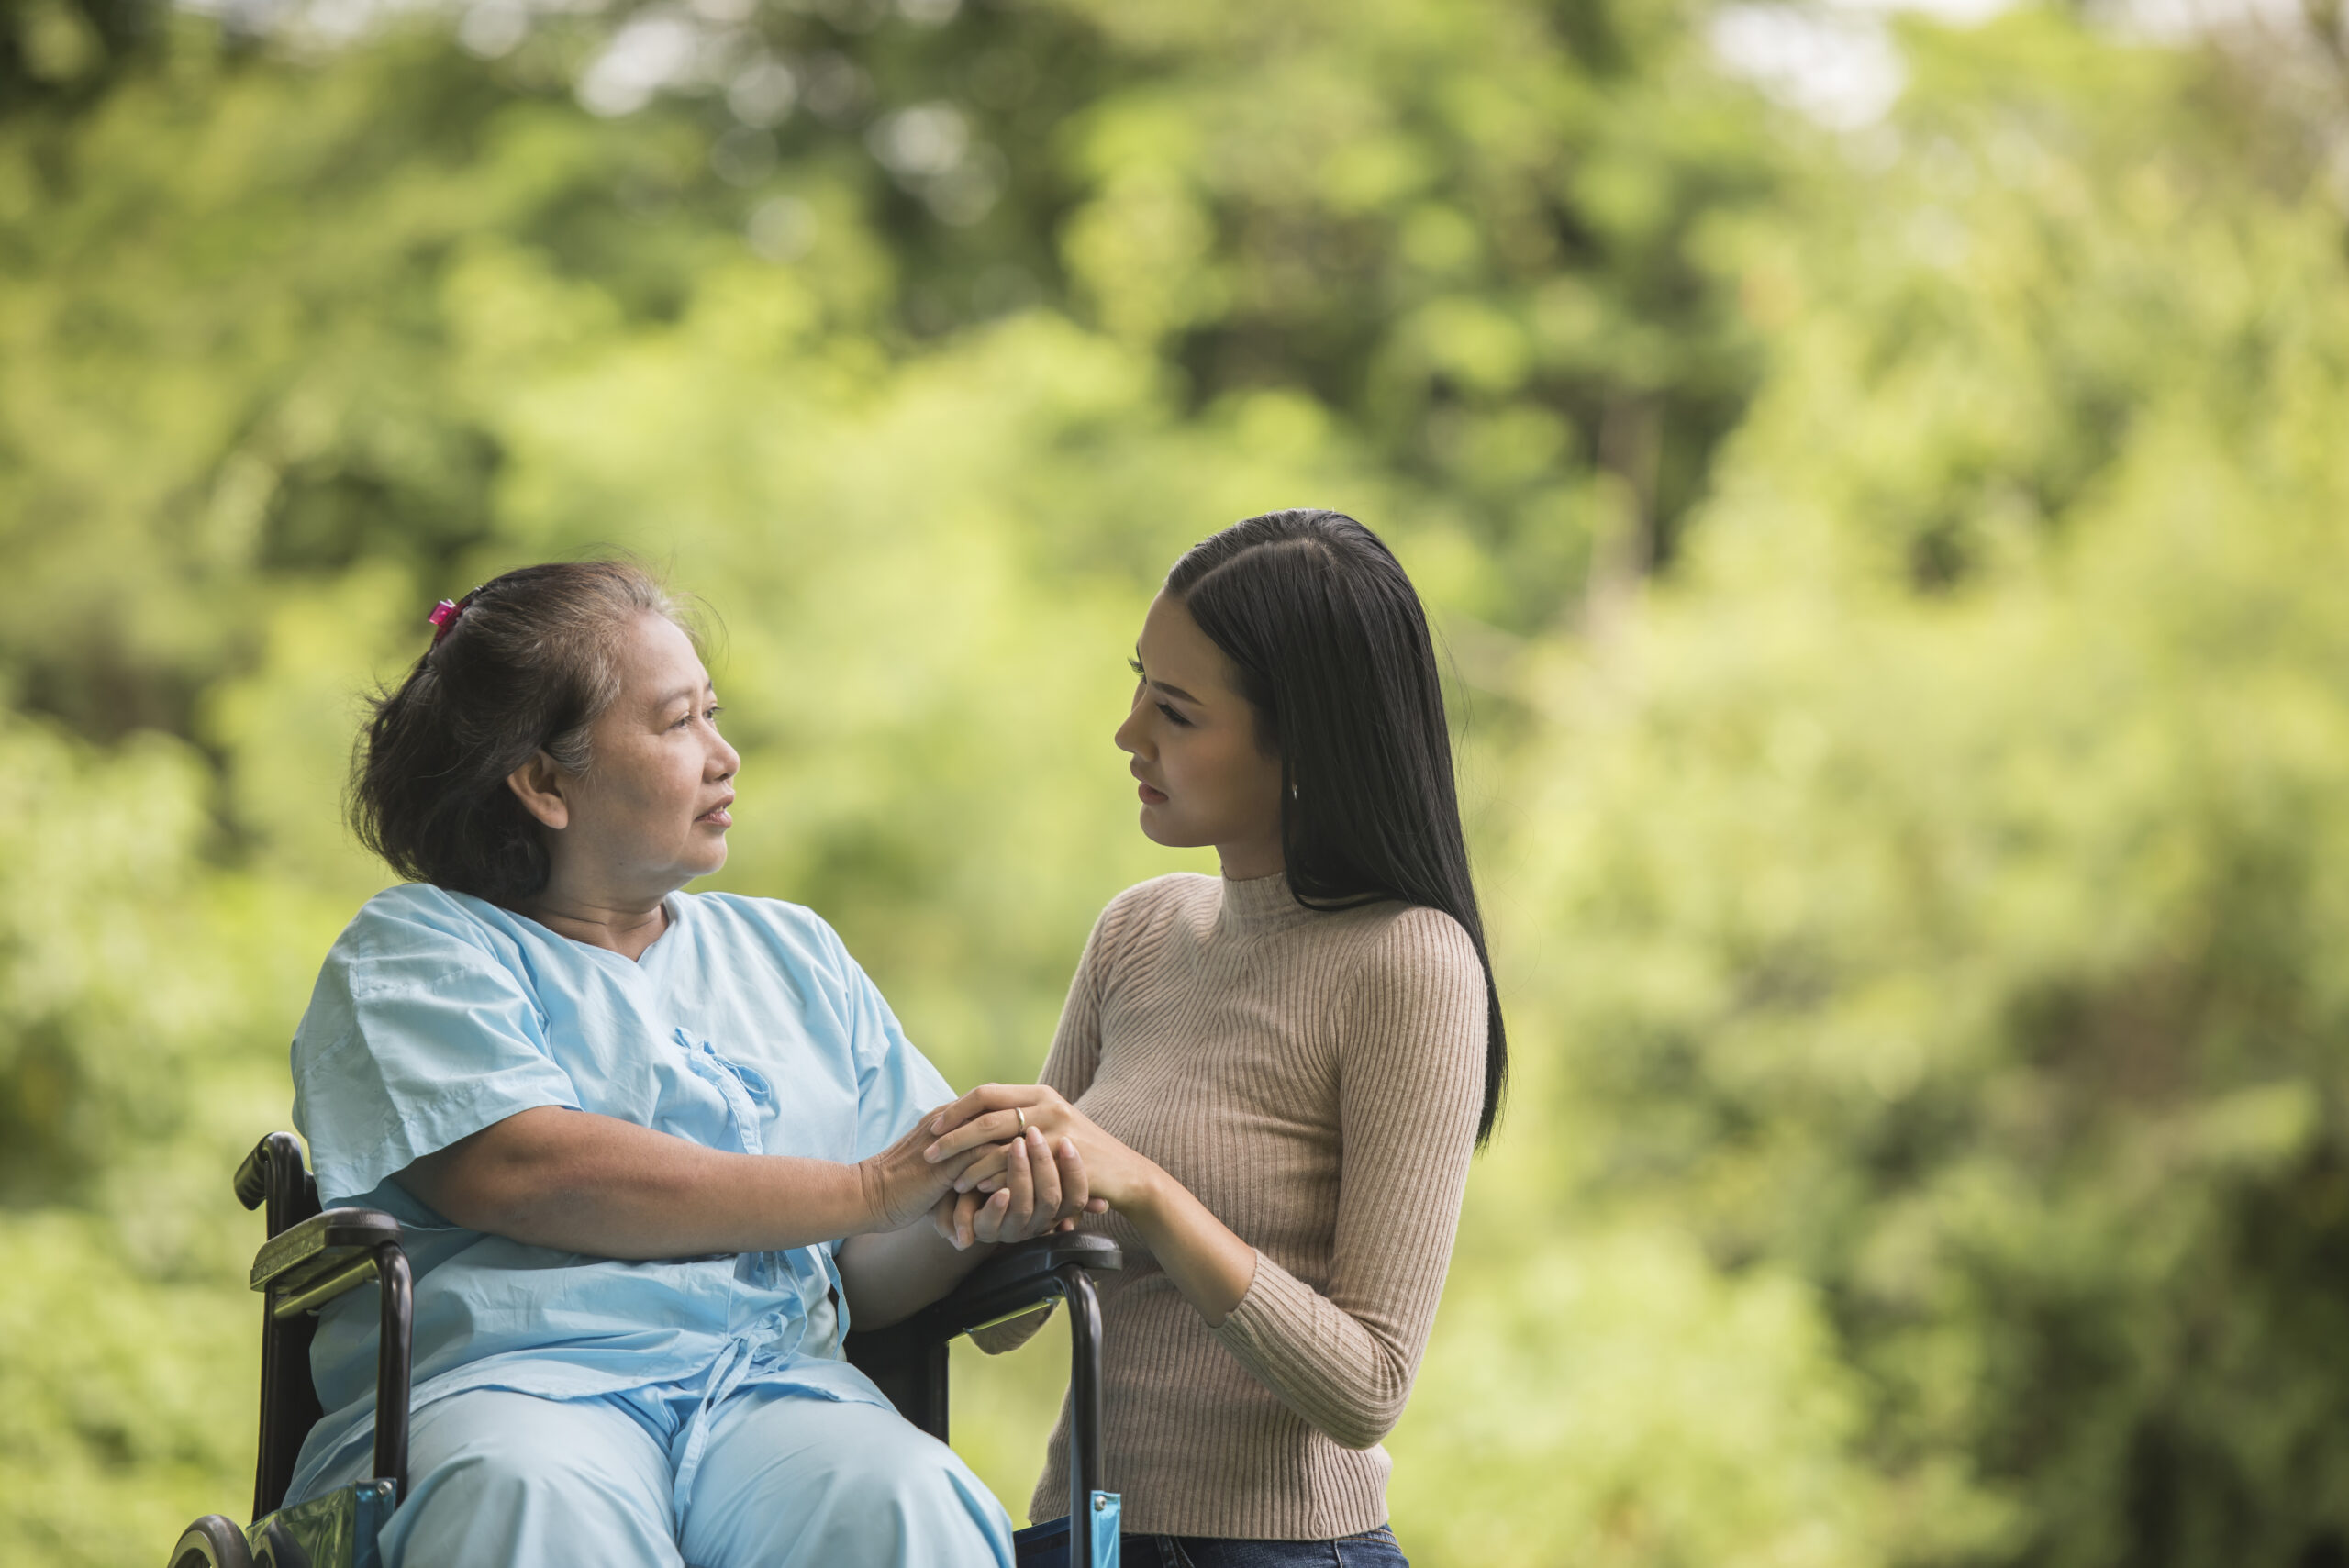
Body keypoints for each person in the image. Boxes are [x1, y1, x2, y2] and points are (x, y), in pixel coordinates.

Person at [283, 560, 1089, 1568]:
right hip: (511, 1384)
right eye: (677, 723)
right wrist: (874, 1183)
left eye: (715, 713)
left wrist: (973, 1207)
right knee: (531, 1503)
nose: (725, 755)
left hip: (765, 1389)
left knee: (904, 1497)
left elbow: (870, 1269)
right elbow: (528, 1172)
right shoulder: (418, 947)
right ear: (541, 782)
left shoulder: (792, 953)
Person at [925, 511, 1506, 1567]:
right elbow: (1006, 1316)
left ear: (1302, 744)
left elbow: (1367, 1386)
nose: (1128, 730)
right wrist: (986, 1180)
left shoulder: (1408, 963)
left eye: (1177, 710)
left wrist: (1144, 1186)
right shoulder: (1139, 930)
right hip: (1077, 1535)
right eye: (1140, 681)